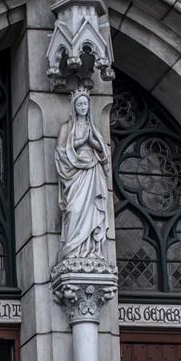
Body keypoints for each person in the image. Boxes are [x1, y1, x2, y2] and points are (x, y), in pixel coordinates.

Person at [56, 87, 111, 264]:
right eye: (79, 104)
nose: (82, 107)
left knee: (92, 210)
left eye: (85, 104)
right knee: (74, 209)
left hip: (92, 170)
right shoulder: (66, 127)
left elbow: (104, 152)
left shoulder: (93, 128)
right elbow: (60, 151)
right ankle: (72, 250)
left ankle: (92, 251)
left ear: (89, 106)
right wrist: (81, 141)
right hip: (75, 172)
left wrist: (92, 142)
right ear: (74, 106)